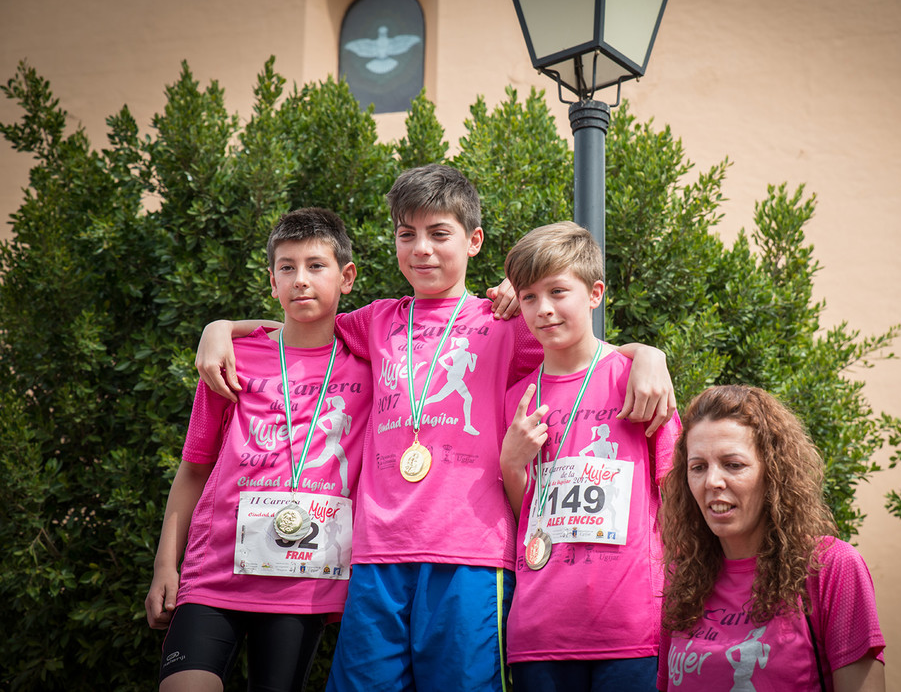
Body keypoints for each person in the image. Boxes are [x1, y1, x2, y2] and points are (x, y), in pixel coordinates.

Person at [193, 164, 677, 692]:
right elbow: (301, 322)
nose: (422, 248)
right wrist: (219, 330)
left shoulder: (507, 322)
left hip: (471, 555)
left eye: (438, 233)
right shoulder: (374, 320)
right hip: (377, 554)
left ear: (473, 241)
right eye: (407, 235)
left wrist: (648, 355)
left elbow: (581, 350)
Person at [144, 208, 372, 692]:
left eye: (316, 265)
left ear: (346, 276)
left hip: (304, 580)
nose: (301, 280)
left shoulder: (371, 363)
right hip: (213, 572)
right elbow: (192, 470)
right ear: (272, 281)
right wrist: (167, 565)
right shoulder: (231, 359)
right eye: (287, 268)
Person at [499, 221, 682, 692]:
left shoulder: (639, 381)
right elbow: (526, 519)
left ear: (595, 293)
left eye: (559, 291)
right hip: (539, 627)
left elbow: (679, 498)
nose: (544, 309)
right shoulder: (515, 397)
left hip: (629, 627)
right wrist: (512, 465)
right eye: (530, 298)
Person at [658, 385, 886, 692]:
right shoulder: (680, 577)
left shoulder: (830, 568)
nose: (712, 481)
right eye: (698, 467)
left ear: (773, 473)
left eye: (733, 465)